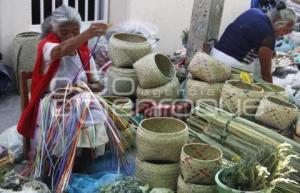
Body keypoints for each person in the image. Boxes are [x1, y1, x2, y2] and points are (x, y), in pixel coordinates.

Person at [17, 5, 109, 176]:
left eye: (76, 31)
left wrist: (85, 88)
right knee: (64, 121)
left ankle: (78, 161)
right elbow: (60, 51)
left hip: (80, 100)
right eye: (64, 32)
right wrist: (86, 34)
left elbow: (97, 84)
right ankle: (54, 163)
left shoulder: (83, 51)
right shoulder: (47, 46)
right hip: (53, 102)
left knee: (97, 115)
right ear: (53, 29)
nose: (72, 36)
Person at [211, 1, 296, 83]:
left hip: (215, 54)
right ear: (278, 21)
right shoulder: (269, 36)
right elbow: (265, 73)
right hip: (229, 63)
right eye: (285, 30)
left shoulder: (254, 11)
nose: (283, 35)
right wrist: (272, 92)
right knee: (259, 72)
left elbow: (251, 37)